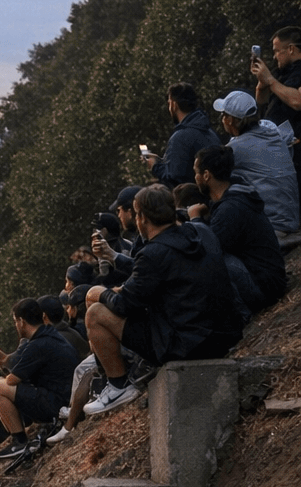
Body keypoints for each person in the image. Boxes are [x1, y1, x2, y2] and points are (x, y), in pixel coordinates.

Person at [83, 185, 244, 416]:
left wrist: (100, 292)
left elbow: (125, 305)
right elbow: (162, 276)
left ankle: (119, 386)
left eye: (136, 214)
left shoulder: (152, 254)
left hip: (186, 345)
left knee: (95, 312)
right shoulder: (198, 232)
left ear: (142, 218)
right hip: (224, 331)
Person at [189, 145, 287, 314]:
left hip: (265, 288)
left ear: (206, 175)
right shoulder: (237, 193)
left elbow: (209, 253)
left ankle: (240, 315)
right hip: (270, 279)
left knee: (215, 261)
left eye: (196, 172)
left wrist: (195, 219)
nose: (195, 177)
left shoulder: (230, 209)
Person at [0, 298, 79, 462]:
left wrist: (5, 374)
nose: (16, 326)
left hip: (56, 404)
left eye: (16, 321)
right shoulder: (51, 334)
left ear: (21, 321)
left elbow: (12, 381)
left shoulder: (37, 345)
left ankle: (19, 442)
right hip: (66, 398)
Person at [214, 89, 300, 235]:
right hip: (291, 219)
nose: (222, 119)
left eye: (223, 115)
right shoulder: (274, 134)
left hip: (272, 226)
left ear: (230, 120)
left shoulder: (235, 149)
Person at [144, 82, 221, 187]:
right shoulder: (209, 131)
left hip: (190, 199)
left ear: (174, 105)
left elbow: (174, 178)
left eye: (169, 102)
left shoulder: (181, 137)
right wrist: (162, 161)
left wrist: (155, 166)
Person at [251, 25, 301, 172]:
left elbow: (297, 102)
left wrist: (271, 80)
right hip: (274, 151)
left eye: (277, 51)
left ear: (291, 49)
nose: (274, 56)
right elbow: (261, 101)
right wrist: (261, 81)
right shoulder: (280, 72)